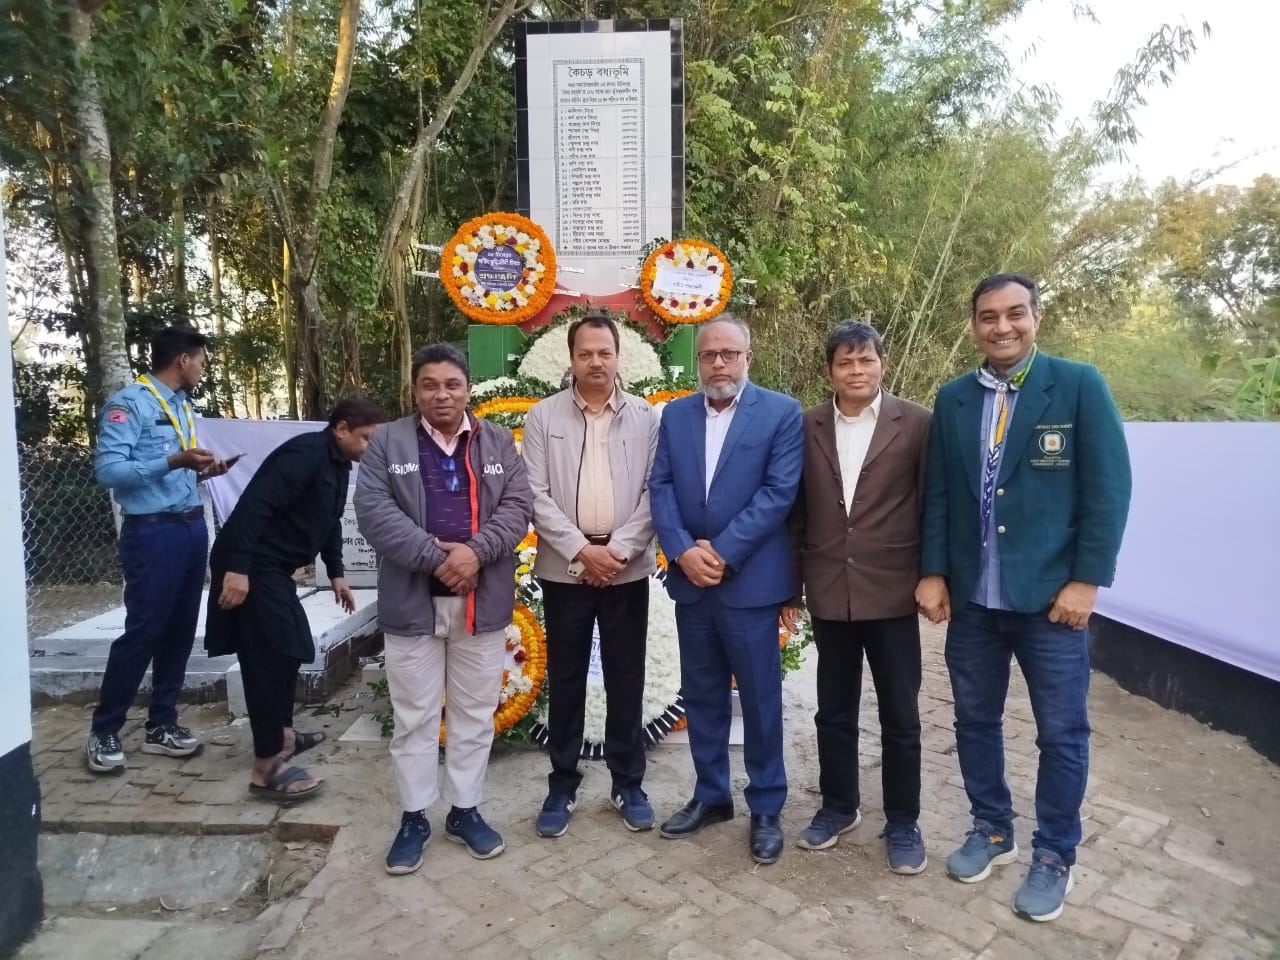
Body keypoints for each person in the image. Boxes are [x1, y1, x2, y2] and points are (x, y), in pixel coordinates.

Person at [917, 273, 1131, 923]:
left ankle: (1055, 853)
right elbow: (940, 493)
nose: (1002, 327)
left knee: (1061, 733)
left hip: (1050, 601)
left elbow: (1108, 491)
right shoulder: (954, 397)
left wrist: (1086, 581)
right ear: (974, 325)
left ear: (1036, 317)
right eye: (988, 316)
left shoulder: (1077, 385)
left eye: (1015, 314)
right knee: (974, 720)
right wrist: (933, 571)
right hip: (975, 601)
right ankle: (991, 828)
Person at [354, 344, 532, 875]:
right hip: (413, 603)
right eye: (429, 385)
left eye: (452, 384)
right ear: (415, 390)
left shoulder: (497, 441)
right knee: (415, 716)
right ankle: (414, 817)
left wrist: (476, 554)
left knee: (474, 713)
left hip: (481, 601)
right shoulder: (387, 442)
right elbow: (374, 512)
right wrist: (440, 560)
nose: (441, 395)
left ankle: (464, 810)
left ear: (467, 389)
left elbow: (517, 508)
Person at [649, 315, 803, 865]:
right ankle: (711, 795)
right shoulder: (676, 414)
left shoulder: (781, 413)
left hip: (750, 584)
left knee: (759, 700)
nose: (718, 363)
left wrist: (720, 552)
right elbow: (660, 485)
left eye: (728, 354)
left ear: (747, 358)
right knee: (703, 695)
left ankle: (766, 806)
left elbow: (779, 492)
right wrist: (681, 550)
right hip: (692, 583)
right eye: (708, 354)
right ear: (698, 361)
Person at [784, 321, 932, 874]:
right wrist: (790, 587)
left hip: (892, 590)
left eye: (865, 360)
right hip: (829, 590)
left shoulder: (917, 423)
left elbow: (933, 505)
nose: (856, 371)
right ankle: (838, 806)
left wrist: (934, 575)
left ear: (882, 364)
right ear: (829, 370)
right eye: (845, 362)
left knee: (901, 714)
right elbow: (795, 511)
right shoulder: (805, 426)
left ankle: (903, 820)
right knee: (834, 710)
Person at [204, 396, 385, 803]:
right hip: (253, 562)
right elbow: (254, 506)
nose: (370, 447)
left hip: (273, 567)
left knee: (286, 650)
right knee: (272, 653)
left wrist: (336, 573)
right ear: (341, 428)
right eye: (366, 438)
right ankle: (267, 767)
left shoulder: (338, 464)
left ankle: (282, 735)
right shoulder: (305, 455)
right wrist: (237, 569)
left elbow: (330, 520)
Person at [522, 314, 661, 838]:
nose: (595, 362)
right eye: (586, 354)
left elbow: (655, 491)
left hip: (626, 569)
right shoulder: (543, 416)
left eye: (605, 353)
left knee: (626, 677)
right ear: (572, 358)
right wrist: (583, 551)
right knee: (566, 677)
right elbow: (534, 494)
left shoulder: (647, 417)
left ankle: (628, 782)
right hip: (566, 570)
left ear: (618, 357)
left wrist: (616, 552)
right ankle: (562, 782)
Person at [87, 326, 230, 774]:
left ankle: (162, 723)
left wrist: (201, 471)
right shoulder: (130, 404)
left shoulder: (183, 405)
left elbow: (174, 470)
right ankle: (104, 730)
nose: (203, 369)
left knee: (181, 630)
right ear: (183, 360)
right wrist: (174, 461)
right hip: (152, 533)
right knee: (144, 630)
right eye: (201, 361)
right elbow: (110, 472)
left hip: (191, 528)